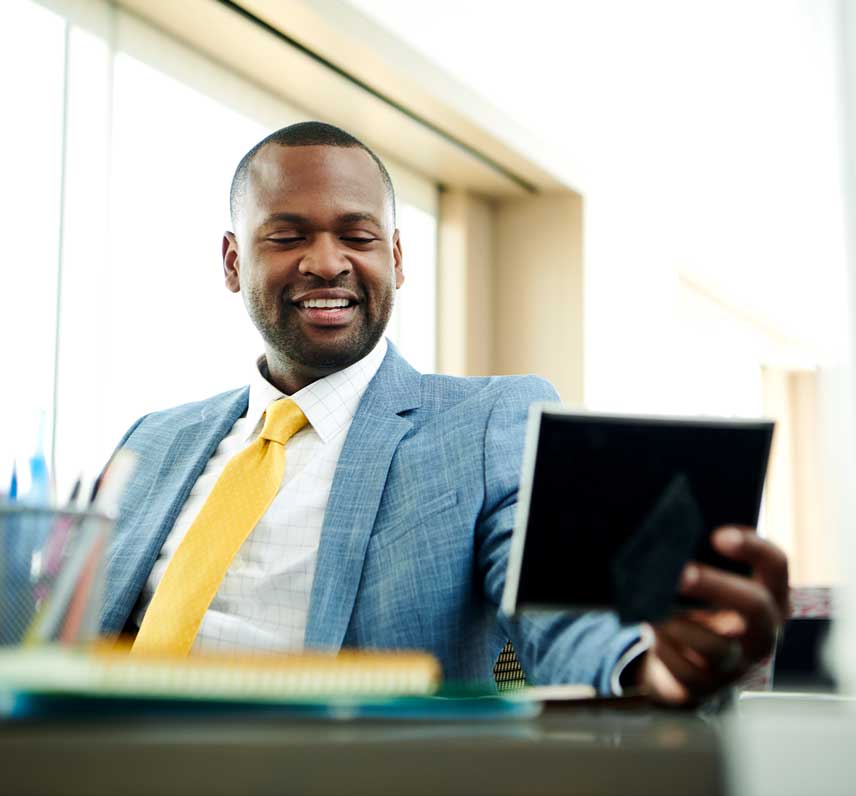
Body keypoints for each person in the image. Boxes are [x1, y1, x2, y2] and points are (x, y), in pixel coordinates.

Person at [101, 121, 789, 704]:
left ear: (396, 259)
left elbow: (556, 613)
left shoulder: (486, 424)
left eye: (358, 236)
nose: (326, 261)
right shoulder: (155, 439)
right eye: (287, 237)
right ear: (231, 261)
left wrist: (655, 662)